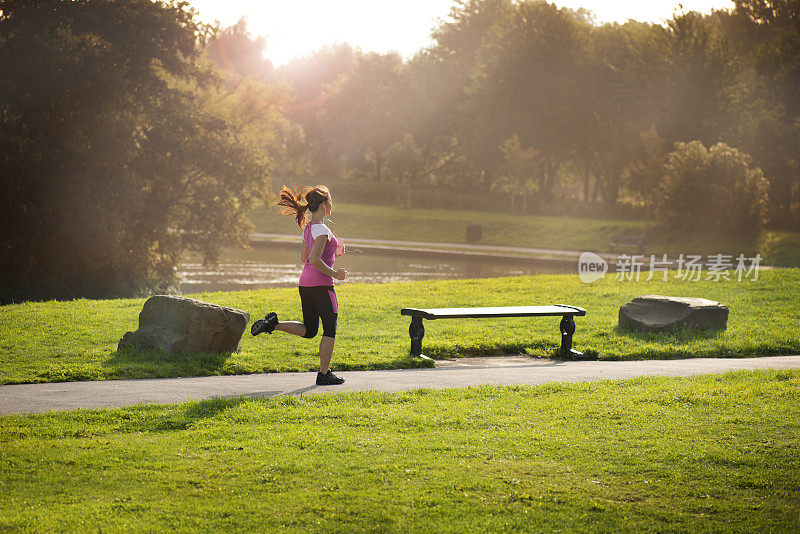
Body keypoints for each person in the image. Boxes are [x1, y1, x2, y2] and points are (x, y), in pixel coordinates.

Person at [251, 185, 348, 386]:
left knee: (310, 330)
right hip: (322, 285)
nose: (332, 205)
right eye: (330, 202)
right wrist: (336, 274)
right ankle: (324, 374)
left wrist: (333, 253)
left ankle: (272, 324)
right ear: (324, 205)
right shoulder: (323, 230)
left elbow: (305, 257)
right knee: (330, 329)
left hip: (305, 284)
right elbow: (314, 259)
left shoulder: (309, 228)